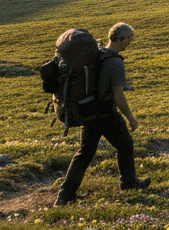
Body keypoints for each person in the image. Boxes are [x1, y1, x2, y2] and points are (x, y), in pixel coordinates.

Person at [54, 22, 150, 205]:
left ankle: (64, 196)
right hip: (106, 113)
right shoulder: (115, 62)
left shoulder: (98, 54)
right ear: (120, 39)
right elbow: (118, 95)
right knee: (125, 145)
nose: (131, 41)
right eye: (129, 38)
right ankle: (129, 184)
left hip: (90, 110)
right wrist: (131, 119)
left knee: (85, 153)